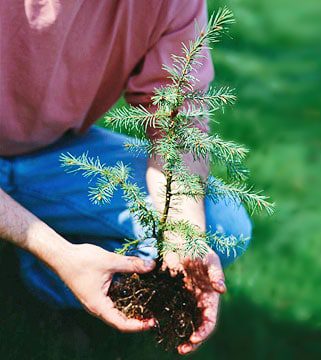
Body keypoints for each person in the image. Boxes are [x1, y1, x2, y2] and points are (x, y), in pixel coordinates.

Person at [0, 0, 252, 355]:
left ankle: (43, 279)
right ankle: (43, 254)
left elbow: (178, 122)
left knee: (224, 224)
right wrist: (55, 251)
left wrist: (183, 233)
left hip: (53, 154)